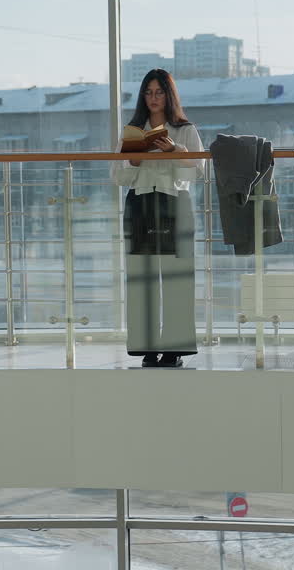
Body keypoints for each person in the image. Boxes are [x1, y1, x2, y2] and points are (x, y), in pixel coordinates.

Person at [112, 68, 206, 368]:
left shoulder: (185, 129)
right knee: (142, 280)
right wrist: (134, 159)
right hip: (139, 204)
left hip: (174, 203)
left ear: (169, 94)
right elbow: (117, 176)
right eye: (148, 92)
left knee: (178, 279)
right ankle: (146, 346)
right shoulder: (133, 130)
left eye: (159, 92)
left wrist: (176, 151)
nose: (153, 98)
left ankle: (174, 349)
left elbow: (200, 170)